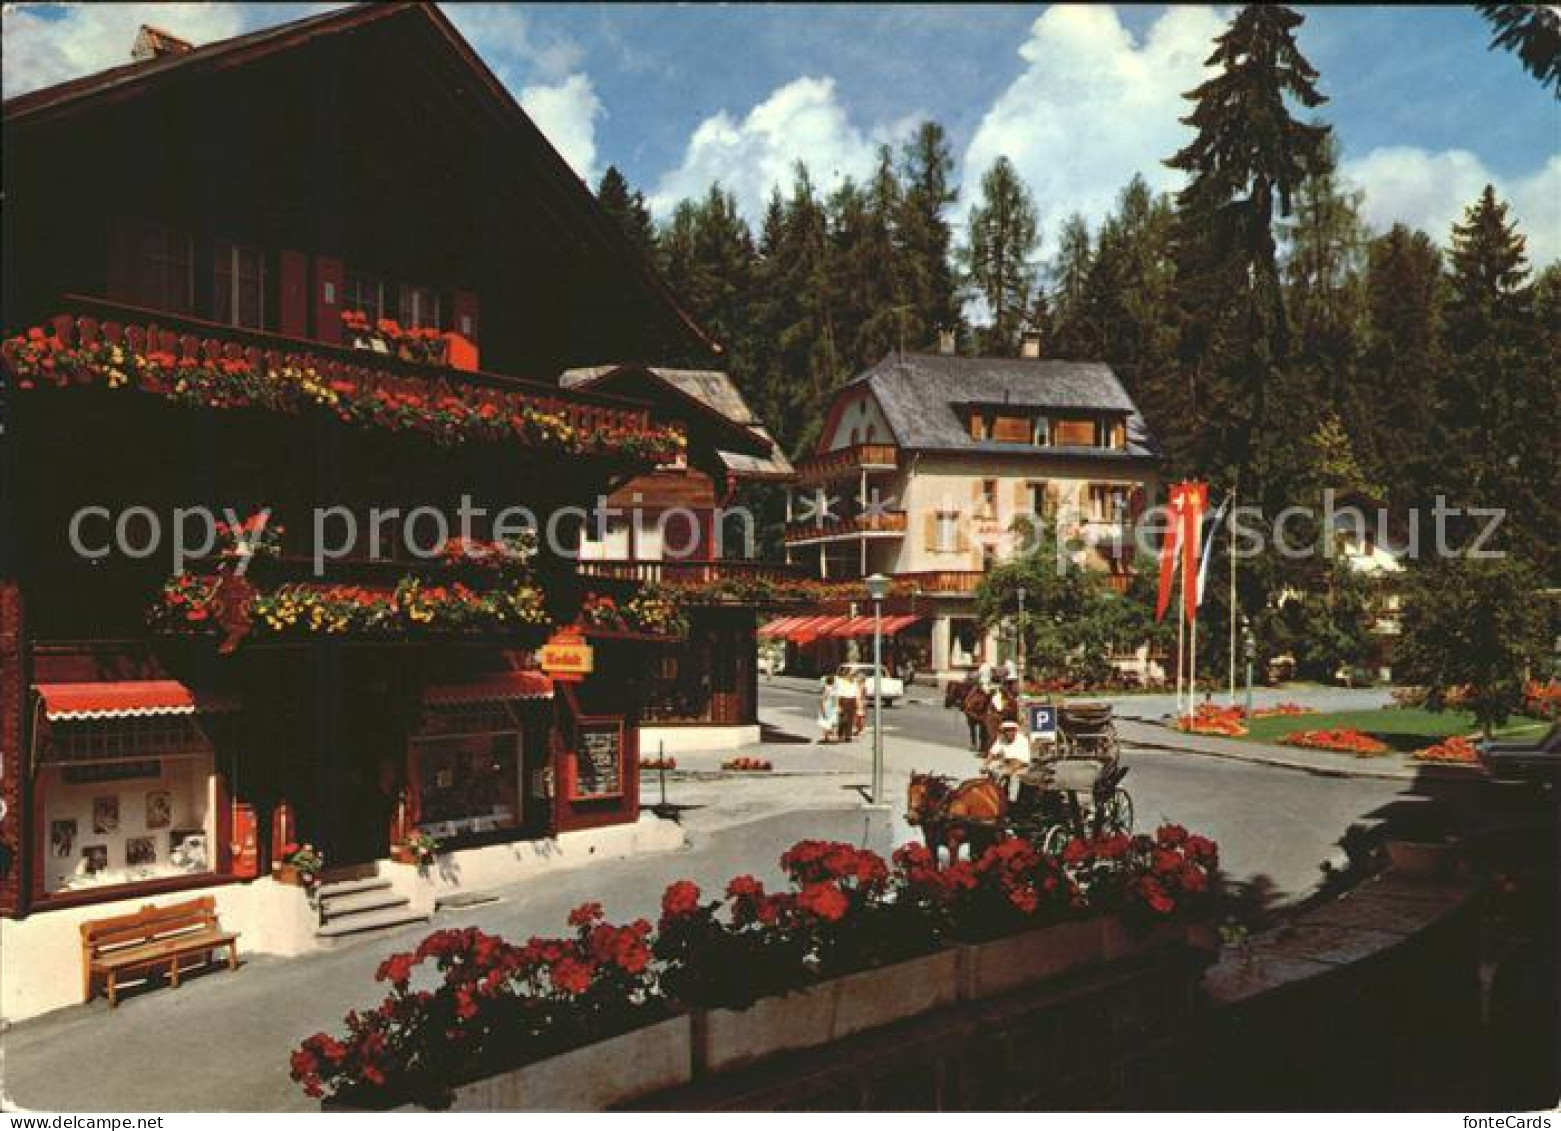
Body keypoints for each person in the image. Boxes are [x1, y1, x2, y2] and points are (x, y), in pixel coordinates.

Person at [836, 667, 860, 742]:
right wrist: (838, 705)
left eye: (854, 675)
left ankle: (848, 736)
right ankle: (840, 733)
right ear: (846, 674)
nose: (853, 676)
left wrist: (858, 704)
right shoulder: (841, 682)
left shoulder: (855, 682)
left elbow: (857, 693)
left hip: (852, 700)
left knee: (850, 719)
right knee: (843, 719)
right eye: (852, 674)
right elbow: (838, 694)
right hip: (844, 700)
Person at [817, 674, 839, 743]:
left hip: (829, 707)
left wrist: (822, 709)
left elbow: (823, 700)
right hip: (830, 707)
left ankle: (826, 736)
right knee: (832, 722)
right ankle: (831, 736)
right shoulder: (832, 689)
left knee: (827, 722)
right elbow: (825, 700)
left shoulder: (828, 689)